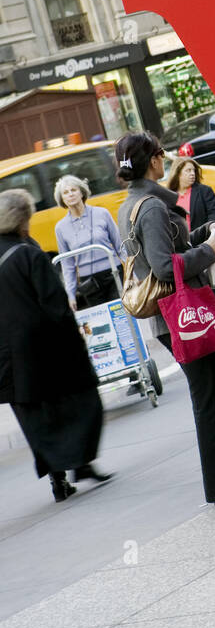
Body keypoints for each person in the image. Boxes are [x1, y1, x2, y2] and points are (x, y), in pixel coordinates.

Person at [115, 131, 215, 506]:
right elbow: (166, 268)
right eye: (160, 153)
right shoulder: (151, 206)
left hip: (171, 319)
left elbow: (169, 247)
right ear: (152, 160)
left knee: (211, 396)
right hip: (181, 317)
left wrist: (204, 235)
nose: (164, 158)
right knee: (206, 399)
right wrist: (209, 251)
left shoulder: (133, 203)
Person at [0, 189, 111, 504]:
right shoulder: (29, 253)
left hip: (9, 360)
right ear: (23, 219)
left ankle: (58, 479)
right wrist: (74, 340)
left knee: (37, 417)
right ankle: (81, 462)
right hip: (44, 349)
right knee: (81, 400)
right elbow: (55, 306)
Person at [165, 157, 215, 318]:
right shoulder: (168, 198)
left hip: (206, 243)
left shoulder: (204, 191)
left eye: (194, 170)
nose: (192, 174)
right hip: (184, 249)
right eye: (187, 170)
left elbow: (214, 213)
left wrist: (209, 231)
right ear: (177, 173)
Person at [54, 177, 124, 310]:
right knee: (102, 323)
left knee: (121, 315)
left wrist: (134, 275)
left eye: (74, 190)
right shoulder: (60, 228)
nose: (70, 194)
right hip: (88, 282)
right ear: (62, 199)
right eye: (66, 192)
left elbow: (120, 246)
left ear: (81, 192)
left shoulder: (102, 213)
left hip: (114, 274)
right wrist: (71, 294)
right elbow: (67, 265)